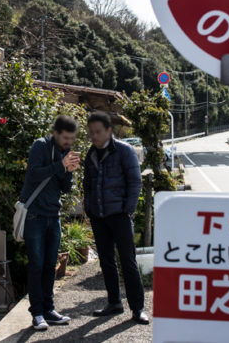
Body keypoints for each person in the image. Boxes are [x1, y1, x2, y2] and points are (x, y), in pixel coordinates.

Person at [83, 111, 149, 325]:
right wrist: (89, 208)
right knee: (106, 261)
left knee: (128, 261)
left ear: (108, 130)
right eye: (91, 132)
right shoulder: (91, 154)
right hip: (98, 216)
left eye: (98, 131)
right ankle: (114, 302)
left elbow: (135, 182)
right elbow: (87, 184)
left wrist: (128, 210)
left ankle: (138, 308)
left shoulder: (124, 150)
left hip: (120, 215)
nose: (94, 136)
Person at [21, 115, 81, 331]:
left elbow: (65, 188)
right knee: (36, 265)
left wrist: (69, 173)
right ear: (56, 133)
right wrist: (60, 165)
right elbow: (34, 174)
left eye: (71, 139)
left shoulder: (65, 152)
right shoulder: (40, 146)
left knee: (49, 265)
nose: (68, 142)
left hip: (53, 215)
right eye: (65, 138)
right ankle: (37, 313)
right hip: (35, 215)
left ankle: (49, 310)